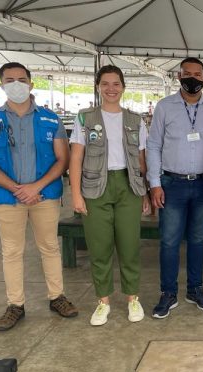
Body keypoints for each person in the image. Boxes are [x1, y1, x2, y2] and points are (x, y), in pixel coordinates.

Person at [0, 62, 78, 331]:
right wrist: (17, 189)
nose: (16, 84)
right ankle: (15, 305)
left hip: (44, 195)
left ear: (32, 84)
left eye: (22, 79)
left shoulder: (50, 118)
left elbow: (62, 159)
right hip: (6, 198)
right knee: (12, 251)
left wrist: (36, 187)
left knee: (49, 247)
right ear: (1, 85)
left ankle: (57, 297)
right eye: (9, 80)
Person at [69, 65, 150, 326]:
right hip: (95, 187)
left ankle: (132, 298)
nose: (111, 89)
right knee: (99, 246)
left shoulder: (135, 120)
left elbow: (141, 159)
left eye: (116, 84)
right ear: (98, 86)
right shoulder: (85, 118)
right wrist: (76, 195)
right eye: (105, 84)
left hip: (128, 186)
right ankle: (103, 301)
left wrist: (145, 192)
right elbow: (76, 158)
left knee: (129, 245)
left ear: (123, 87)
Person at [146, 57, 203, 318]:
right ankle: (168, 293)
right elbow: (154, 145)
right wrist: (155, 184)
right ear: (179, 76)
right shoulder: (165, 107)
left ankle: (195, 289)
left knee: (197, 240)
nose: (192, 78)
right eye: (186, 73)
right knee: (169, 241)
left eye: (197, 74)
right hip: (171, 184)